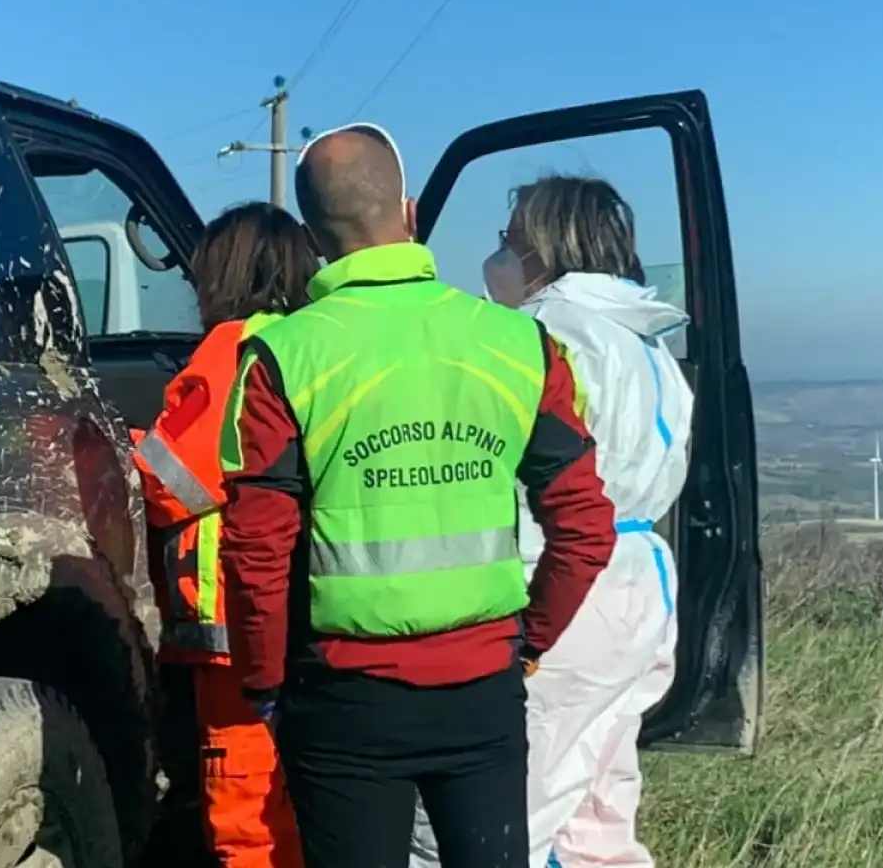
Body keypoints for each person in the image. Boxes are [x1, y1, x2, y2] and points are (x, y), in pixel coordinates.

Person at [218, 123, 619, 868]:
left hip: (343, 697)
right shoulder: (521, 345)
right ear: (408, 213)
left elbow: (255, 552)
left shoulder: (281, 356)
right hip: (484, 689)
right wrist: (527, 642)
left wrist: (263, 685)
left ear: (311, 236)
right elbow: (588, 525)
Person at [410, 175, 693, 868]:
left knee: (496, 817)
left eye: (510, 239)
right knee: (599, 810)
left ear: (544, 248)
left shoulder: (545, 336)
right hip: (640, 587)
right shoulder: (647, 342)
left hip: (562, 582)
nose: (499, 254)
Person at [129, 201, 316, 868]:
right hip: (305, 612)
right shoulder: (308, 342)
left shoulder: (230, 349)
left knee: (245, 815)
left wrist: (115, 451)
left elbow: (175, 482)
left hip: (232, 626)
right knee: (297, 800)